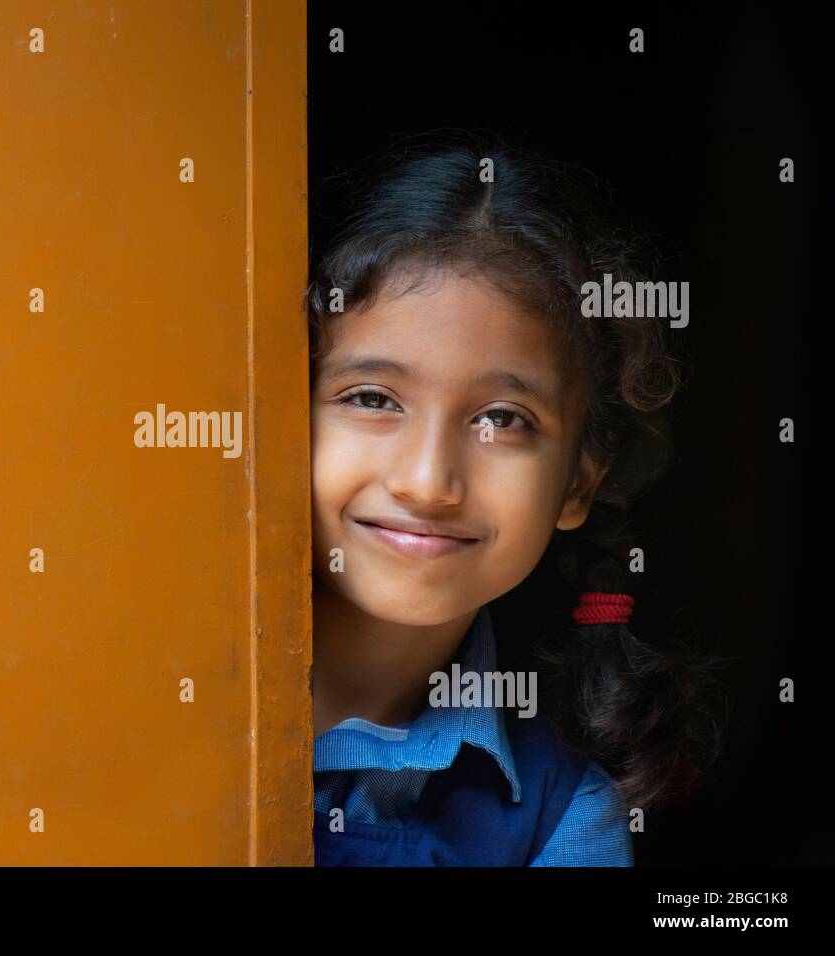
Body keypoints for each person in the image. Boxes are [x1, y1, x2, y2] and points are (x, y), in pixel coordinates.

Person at [304, 133, 726, 866]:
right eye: (371, 397)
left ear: (578, 482)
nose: (428, 481)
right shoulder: (138, 688)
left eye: (503, 418)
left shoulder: (560, 822)